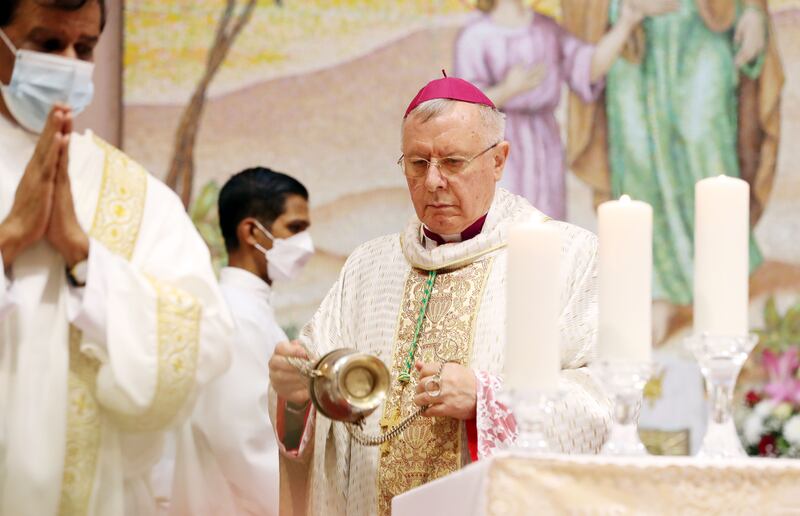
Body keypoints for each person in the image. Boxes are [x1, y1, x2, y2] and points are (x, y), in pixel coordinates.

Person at [268, 75, 611, 516]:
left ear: (499, 160)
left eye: (452, 161)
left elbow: (604, 402)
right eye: (417, 163)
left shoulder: (567, 256)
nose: (432, 181)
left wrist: (488, 398)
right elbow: (321, 392)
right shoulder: (368, 268)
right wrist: (297, 395)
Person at [0, 1, 233, 515]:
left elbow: (204, 341)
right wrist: (12, 238)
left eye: (83, 49)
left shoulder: (134, 194)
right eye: (46, 44)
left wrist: (85, 258)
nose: (68, 63)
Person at [564, 0, 784, 332]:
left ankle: (720, 282)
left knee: (704, 138)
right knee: (636, 153)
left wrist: (753, 10)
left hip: (703, 22)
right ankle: (657, 289)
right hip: (633, 32)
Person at [169, 168, 313, 516]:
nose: (306, 244)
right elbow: (245, 448)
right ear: (251, 231)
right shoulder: (235, 318)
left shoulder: (249, 311)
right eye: (294, 228)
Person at [454, 0, 677, 220]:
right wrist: (508, 89)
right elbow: (464, 105)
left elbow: (588, 67)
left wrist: (625, 23)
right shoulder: (475, 36)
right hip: (498, 146)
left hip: (545, 143)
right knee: (503, 221)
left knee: (547, 220)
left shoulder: (546, 29)